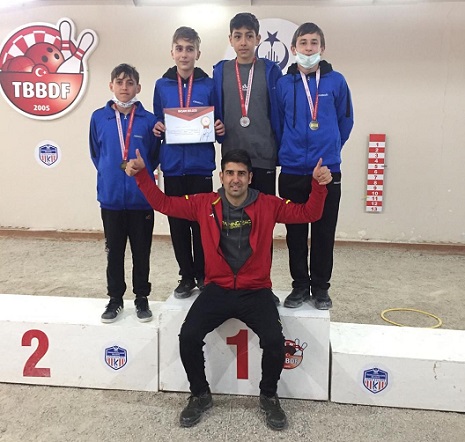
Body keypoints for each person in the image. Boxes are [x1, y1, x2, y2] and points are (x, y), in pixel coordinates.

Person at [125, 148, 332, 430]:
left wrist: (319, 185)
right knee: (188, 336)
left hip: (255, 290)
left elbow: (310, 213)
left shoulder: (268, 204)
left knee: (274, 341)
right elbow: (163, 203)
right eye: (230, 173)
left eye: (241, 174)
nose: (236, 179)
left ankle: (268, 396)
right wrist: (142, 176)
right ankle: (200, 394)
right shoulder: (203, 203)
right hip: (218, 289)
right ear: (221, 176)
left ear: (250, 177)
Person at [276, 23, 354, 310]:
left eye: (314, 43)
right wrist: (290, 151)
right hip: (292, 170)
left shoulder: (336, 82)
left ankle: (321, 288)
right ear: (294, 48)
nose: (308, 48)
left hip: (326, 171)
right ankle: (299, 286)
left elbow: (346, 121)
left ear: (322, 47)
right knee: (295, 234)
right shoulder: (284, 84)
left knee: (323, 232)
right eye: (303, 43)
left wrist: (330, 151)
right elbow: (277, 124)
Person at [153, 27, 225, 300]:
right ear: (172, 52)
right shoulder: (162, 85)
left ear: (198, 53)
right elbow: (157, 120)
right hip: (173, 166)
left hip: (200, 166)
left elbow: (219, 122)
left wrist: (220, 128)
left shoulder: (209, 85)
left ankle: (205, 275)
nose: (184, 54)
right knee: (178, 224)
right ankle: (186, 276)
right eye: (180, 49)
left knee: (203, 223)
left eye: (190, 49)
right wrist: (158, 127)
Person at [89, 63, 159, 323]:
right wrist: (113, 172)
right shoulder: (99, 118)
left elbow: (154, 156)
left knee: (142, 252)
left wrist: (141, 175)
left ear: (138, 87)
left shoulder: (149, 120)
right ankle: (115, 299)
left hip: (141, 200)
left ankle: (141, 298)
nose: (124, 87)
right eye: (119, 82)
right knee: (114, 252)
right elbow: (96, 154)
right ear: (111, 86)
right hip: (111, 200)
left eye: (130, 83)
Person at [212, 12, 282, 196]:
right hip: (232, 157)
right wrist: (216, 126)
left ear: (258, 39)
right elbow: (216, 109)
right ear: (230, 39)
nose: (243, 42)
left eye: (249, 36)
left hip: (264, 156)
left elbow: (279, 111)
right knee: (233, 212)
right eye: (238, 36)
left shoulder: (271, 71)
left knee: (264, 212)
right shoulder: (221, 71)